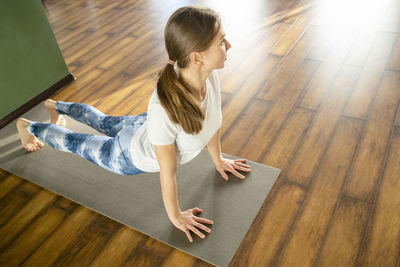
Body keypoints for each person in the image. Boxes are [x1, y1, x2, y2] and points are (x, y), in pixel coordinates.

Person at [16, 6, 252, 243]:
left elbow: (211, 123)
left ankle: (54, 105)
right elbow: (167, 174)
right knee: (75, 142)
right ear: (196, 57)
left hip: (142, 125)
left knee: (100, 121)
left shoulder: (209, 76)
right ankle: (27, 127)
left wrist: (218, 160)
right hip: (127, 154)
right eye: (221, 41)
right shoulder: (166, 111)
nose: (228, 46)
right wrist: (176, 217)